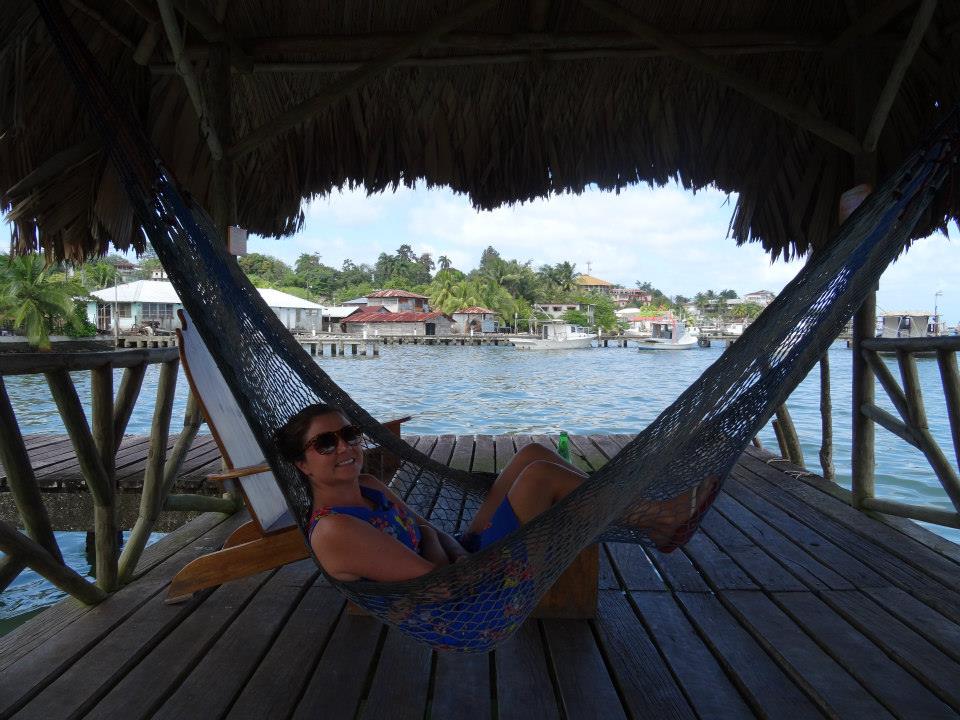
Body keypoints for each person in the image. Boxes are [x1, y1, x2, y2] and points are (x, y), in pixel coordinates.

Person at [276, 403, 717, 583]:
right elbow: (437, 586)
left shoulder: (370, 487)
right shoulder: (335, 531)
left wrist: (447, 544)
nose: (346, 448)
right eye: (325, 444)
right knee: (541, 476)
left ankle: (646, 515)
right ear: (301, 463)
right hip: (473, 592)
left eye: (349, 434)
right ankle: (657, 518)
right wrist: (455, 555)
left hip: (464, 557)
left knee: (531, 453)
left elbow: (426, 530)